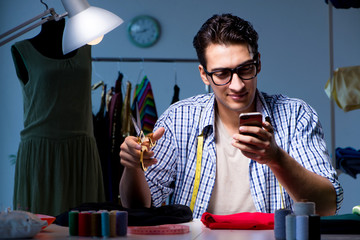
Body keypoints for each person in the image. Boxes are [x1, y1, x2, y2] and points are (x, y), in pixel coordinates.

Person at [119, 13, 343, 219]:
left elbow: (327, 205)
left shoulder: (295, 115)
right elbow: (140, 208)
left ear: (259, 64)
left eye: (245, 69)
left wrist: (276, 158)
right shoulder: (179, 118)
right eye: (222, 73)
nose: (237, 85)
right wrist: (133, 168)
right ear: (204, 75)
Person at [11, 18, 105, 216]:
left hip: (82, 150)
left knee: (85, 223)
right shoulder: (22, 50)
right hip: (41, 152)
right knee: (40, 223)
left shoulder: (86, 46)